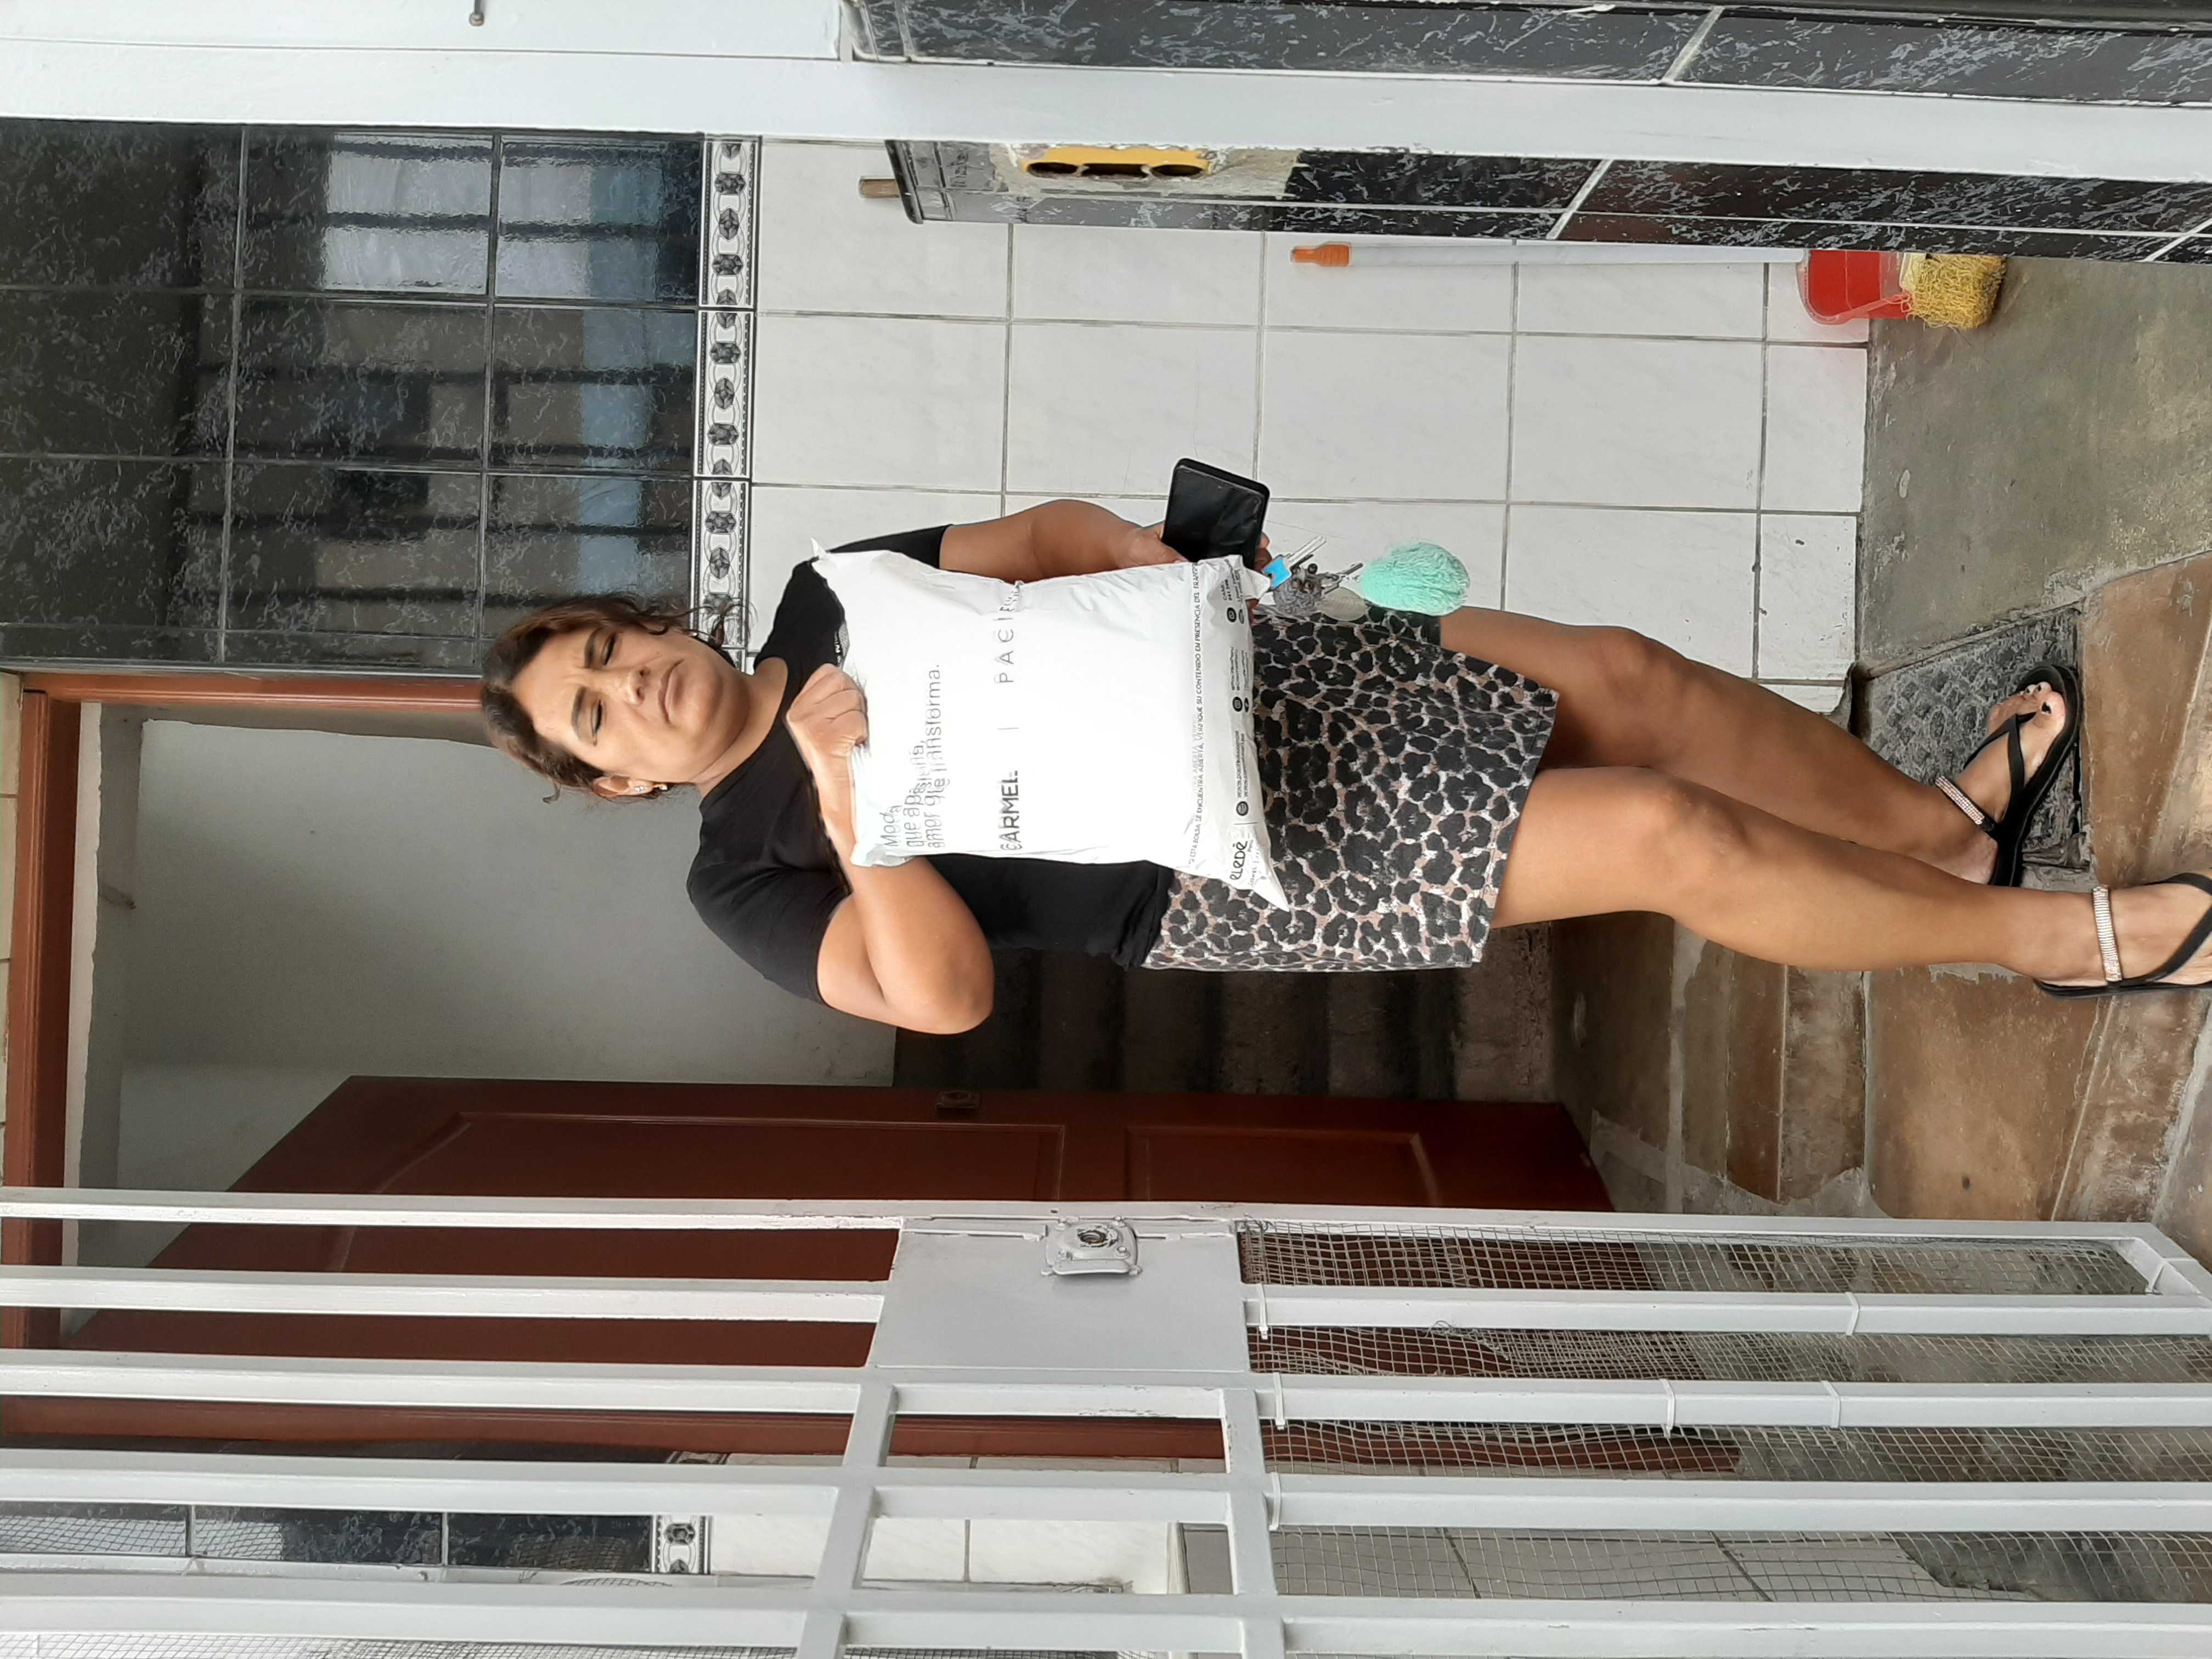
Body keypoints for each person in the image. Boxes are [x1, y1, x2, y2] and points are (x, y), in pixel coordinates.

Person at [480, 501, 2212, 1033]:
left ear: (647, 621)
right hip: (1230, 857)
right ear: (613, 781)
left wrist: (1207, 579)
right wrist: (853, 804)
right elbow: (938, 997)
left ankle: (1938, 831)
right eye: (597, 716)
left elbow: (1049, 539)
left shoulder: (823, 591)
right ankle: (2058, 944)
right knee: (1664, 832)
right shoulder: (742, 875)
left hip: (1273, 672)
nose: (633, 686)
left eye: (611, 651)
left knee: (1633, 680)